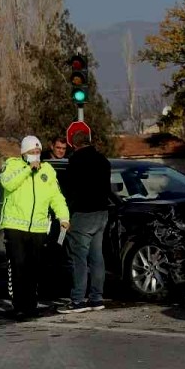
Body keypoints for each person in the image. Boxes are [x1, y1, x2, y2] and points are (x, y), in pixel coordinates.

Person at [0, 135, 70, 320]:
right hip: (15, 226)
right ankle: (19, 305)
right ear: (24, 153)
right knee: (18, 266)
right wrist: (27, 169)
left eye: (38, 152)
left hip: (38, 228)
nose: (36, 156)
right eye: (32, 152)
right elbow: (7, 182)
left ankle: (31, 305)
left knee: (34, 268)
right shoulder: (12, 165)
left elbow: (56, 196)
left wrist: (63, 216)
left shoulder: (47, 170)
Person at [57, 130, 113, 313]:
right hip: (102, 213)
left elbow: (69, 190)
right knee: (97, 256)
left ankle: (77, 300)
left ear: (74, 145)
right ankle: (97, 298)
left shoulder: (76, 162)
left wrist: (67, 213)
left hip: (82, 214)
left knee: (78, 258)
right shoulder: (103, 161)